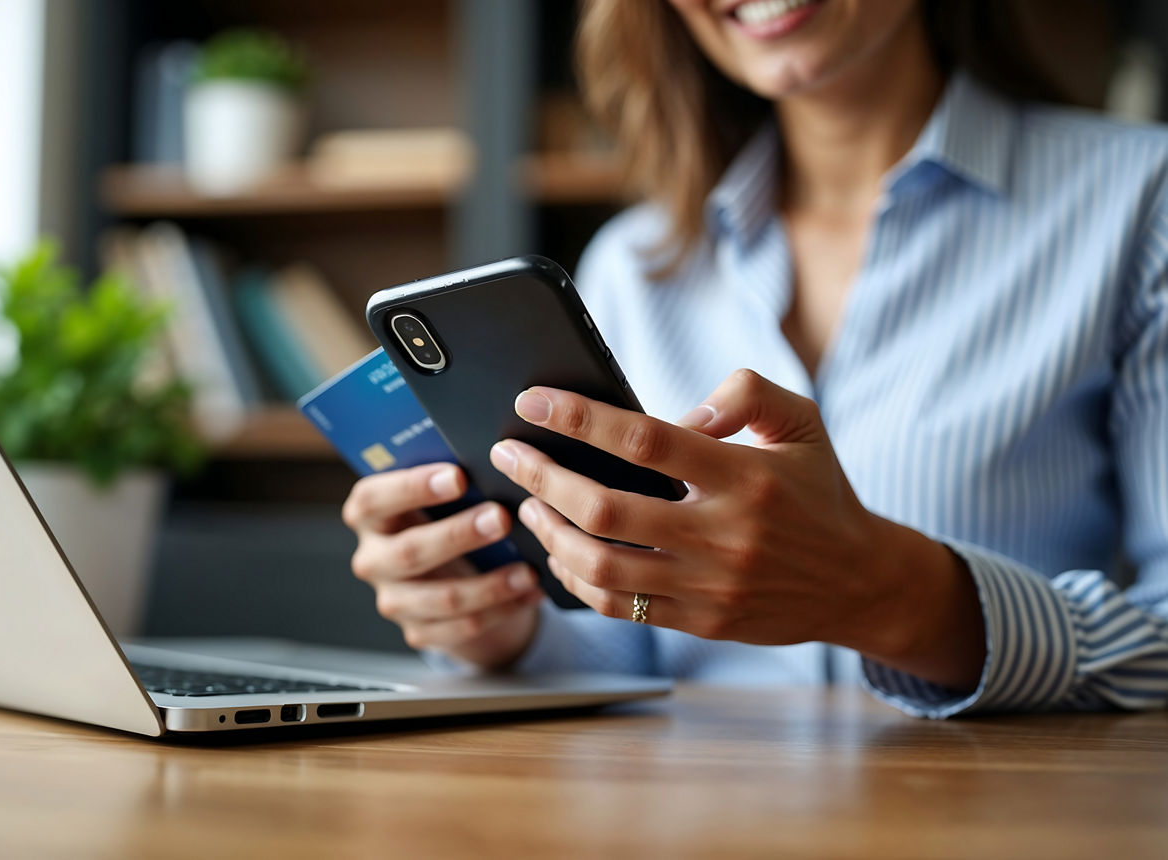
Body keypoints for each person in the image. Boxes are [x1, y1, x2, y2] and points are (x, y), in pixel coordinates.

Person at [342, 0, 1168, 716]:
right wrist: (508, 630)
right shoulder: (634, 268)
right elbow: (644, 645)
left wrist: (892, 596)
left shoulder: (1139, 200)